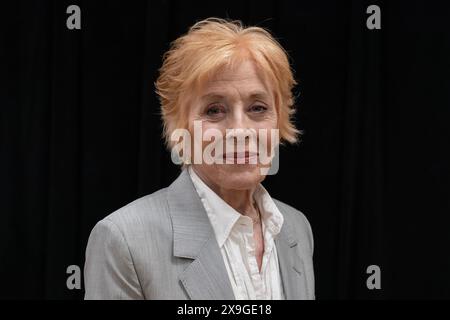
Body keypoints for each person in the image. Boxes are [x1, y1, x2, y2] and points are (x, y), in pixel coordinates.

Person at [84, 17, 314, 300]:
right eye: (214, 110)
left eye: (257, 107)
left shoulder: (296, 228)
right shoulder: (123, 240)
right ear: (178, 126)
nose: (240, 131)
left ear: (279, 119)